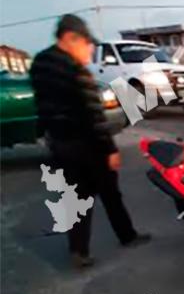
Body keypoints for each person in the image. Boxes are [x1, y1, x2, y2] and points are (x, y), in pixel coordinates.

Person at [30, 14, 151, 268]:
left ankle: (78, 251)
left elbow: (41, 106)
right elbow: (95, 116)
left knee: (76, 196)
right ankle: (127, 236)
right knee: (109, 192)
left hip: (61, 143)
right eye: (87, 44)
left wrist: (46, 135)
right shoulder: (77, 72)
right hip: (88, 146)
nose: (91, 49)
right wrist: (110, 148)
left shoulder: (40, 64)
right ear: (70, 39)